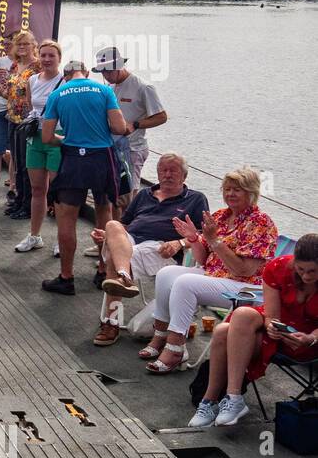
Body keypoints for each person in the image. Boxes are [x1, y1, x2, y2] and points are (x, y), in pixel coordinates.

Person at [142, 168, 279, 374]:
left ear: (251, 192)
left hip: (246, 286)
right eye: (227, 189)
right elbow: (205, 260)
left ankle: (175, 348)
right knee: (166, 274)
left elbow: (243, 269)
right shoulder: (221, 217)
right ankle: (160, 334)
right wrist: (193, 238)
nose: (230, 194)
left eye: (237, 190)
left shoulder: (261, 223)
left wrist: (215, 240)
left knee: (185, 282)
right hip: (217, 276)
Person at [191, 233, 318, 427]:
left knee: (222, 331)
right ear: (294, 263)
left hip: (308, 340)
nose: (306, 276)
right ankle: (228, 398)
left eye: (313, 271)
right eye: (301, 269)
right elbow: (271, 315)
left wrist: (309, 338)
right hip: (282, 328)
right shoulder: (279, 268)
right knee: (242, 314)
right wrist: (272, 327)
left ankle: (213, 400)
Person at [90, 153, 210, 346]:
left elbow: (205, 236)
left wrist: (179, 243)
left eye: (173, 170)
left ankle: (111, 321)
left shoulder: (195, 199)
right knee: (112, 225)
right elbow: (125, 225)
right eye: (163, 170)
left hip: (160, 248)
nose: (167, 174)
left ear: (184, 176)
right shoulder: (145, 195)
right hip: (131, 243)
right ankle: (123, 275)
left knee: (114, 256)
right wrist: (105, 237)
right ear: (157, 173)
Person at [38, 58, 130, 296]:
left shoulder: (57, 94)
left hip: (74, 160)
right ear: (86, 72)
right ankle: (103, 272)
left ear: (66, 76)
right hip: (103, 159)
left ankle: (66, 277)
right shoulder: (104, 90)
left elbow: (47, 137)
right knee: (105, 214)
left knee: (67, 218)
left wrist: (66, 138)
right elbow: (119, 128)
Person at [93, 46, 166, 202]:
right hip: (112, 146)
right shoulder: (109, 88)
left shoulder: (143, 87)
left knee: (128, 194)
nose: (105, 75)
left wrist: (136, 124)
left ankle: (130, 224)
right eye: (102, 72)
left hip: (133, 148)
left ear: (119, 66)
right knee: (112, 192)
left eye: (108, 71)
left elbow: (161, 117)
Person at [12, 39, 65, 251]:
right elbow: (31, 108)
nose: (46, 59)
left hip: (57, 137)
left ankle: (63, 238)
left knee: (59, 191)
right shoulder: (33, 80)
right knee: (37, 189)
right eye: (43, 55)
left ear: (59, 58)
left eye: (51, 55)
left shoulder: (65, 81)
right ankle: (34, 235)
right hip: (35, 138)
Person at [0, 29, 36, 210]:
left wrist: (15, 99)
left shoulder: (35, 66)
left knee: (15, 155)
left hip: (22, 116)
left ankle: (13, 191)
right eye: (16, 43)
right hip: (1, 112)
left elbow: (27, 94)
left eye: (23, 43)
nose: (19, 46)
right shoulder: (4, 63)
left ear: (32, 46)